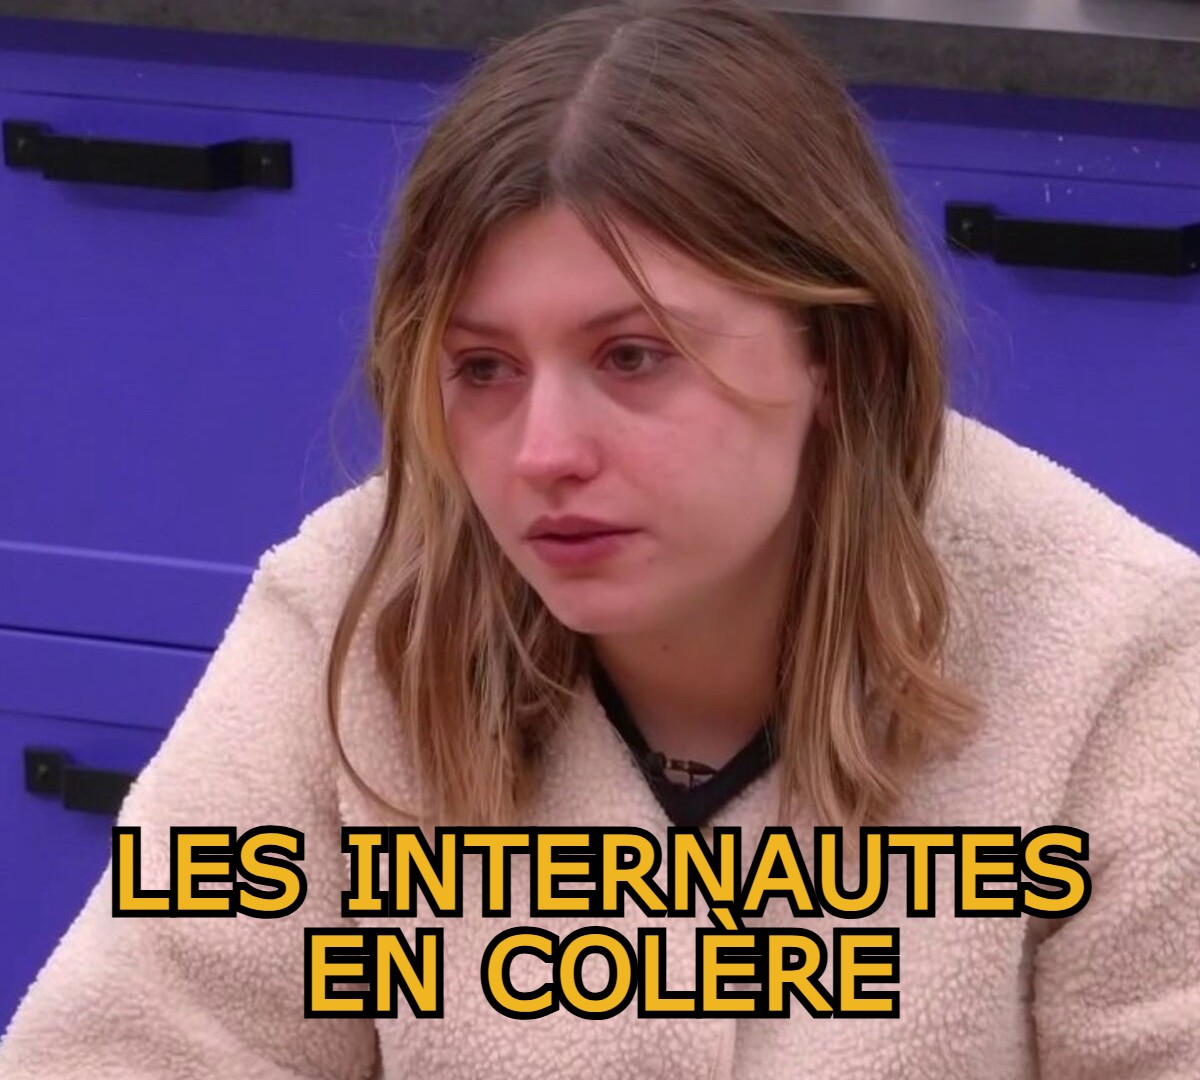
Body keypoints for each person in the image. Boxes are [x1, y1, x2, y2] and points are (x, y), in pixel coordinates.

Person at [2, 0, 1197, 1076]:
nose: (543, 453)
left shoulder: (1119, 660)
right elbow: (119, 1047)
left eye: (633, 357)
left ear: (842, 357)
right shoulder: (349, 616)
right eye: (483, 369)